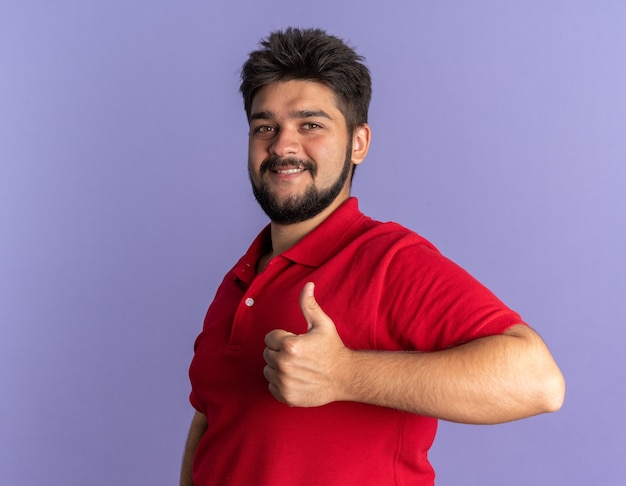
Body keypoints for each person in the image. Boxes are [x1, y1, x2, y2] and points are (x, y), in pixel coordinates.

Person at [180, 27, 565, 486]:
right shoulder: (238, 280)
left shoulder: (391, 261)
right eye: (265, 127)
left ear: (358, 143)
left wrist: (345, 374)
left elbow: (538, 381)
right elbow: (211, 423)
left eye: (310, 125)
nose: (283, 145)